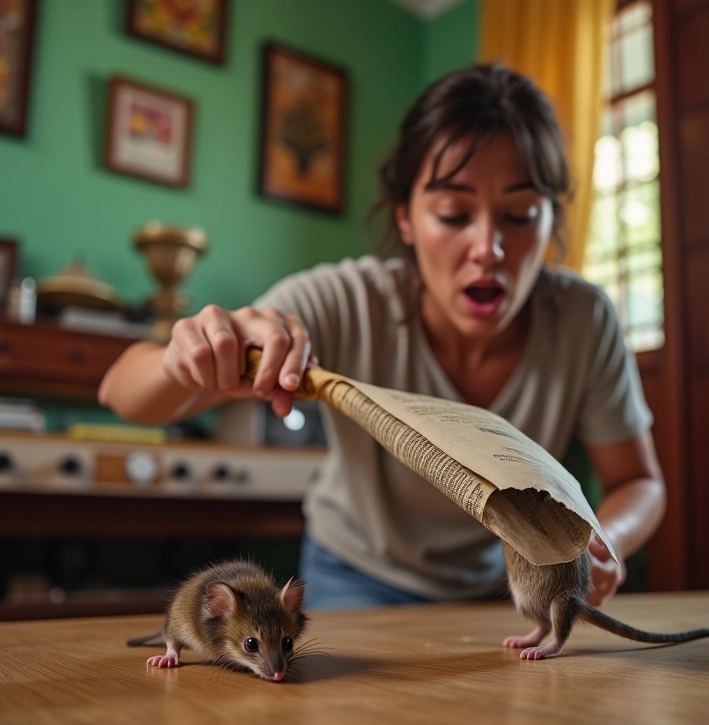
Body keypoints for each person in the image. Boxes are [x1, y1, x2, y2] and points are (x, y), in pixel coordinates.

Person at [98, 63, 665, 611]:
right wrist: (186, 359)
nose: (488, 248)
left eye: (519, 214)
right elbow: (121, 392)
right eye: (452, 213)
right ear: (405, 218)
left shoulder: (584, 320)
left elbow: (638, 481)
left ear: (550, 220)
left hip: (508, 590)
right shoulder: (344, 302)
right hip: (354, 577)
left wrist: (602, 540)